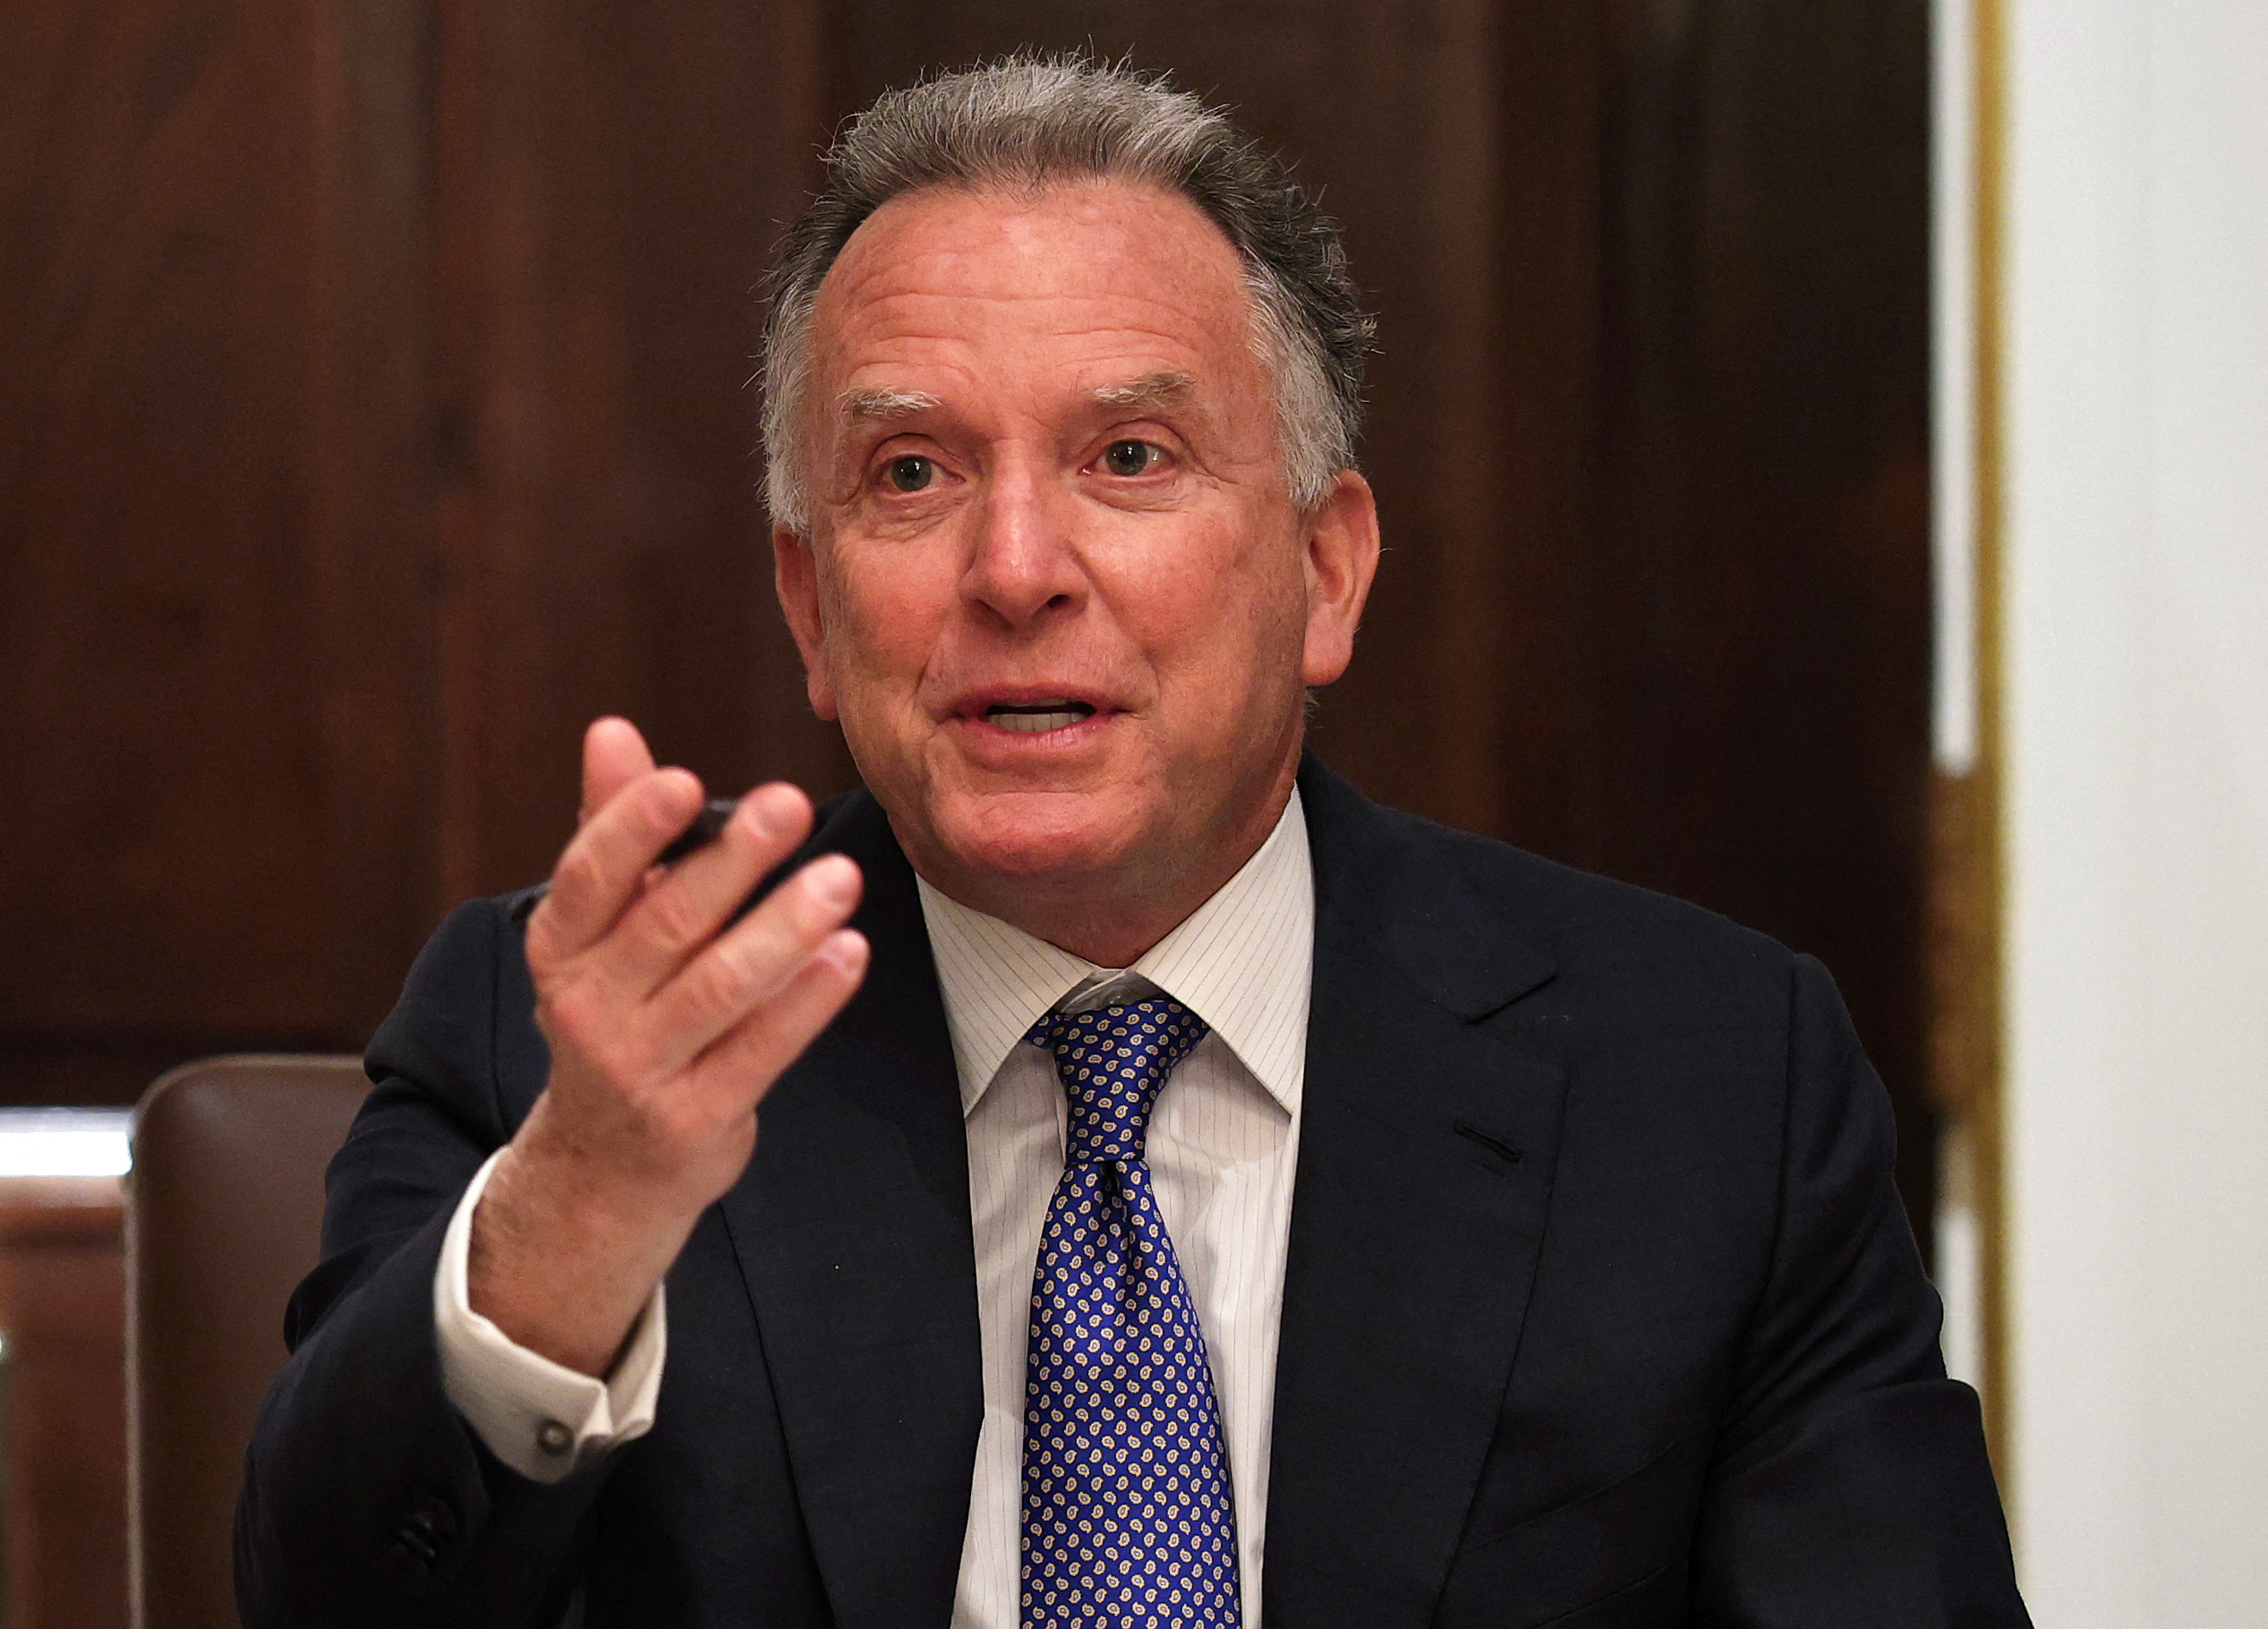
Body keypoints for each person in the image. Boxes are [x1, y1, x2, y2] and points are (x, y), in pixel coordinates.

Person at [237, 55, 2027, 1629]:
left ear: (1325, 570)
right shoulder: (571, 1039)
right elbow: (325, 1600)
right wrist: (580, 1210)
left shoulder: (1702, 1086)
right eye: (913, 474)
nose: (1016, 570)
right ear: (808, 604)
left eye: (1131, 456)